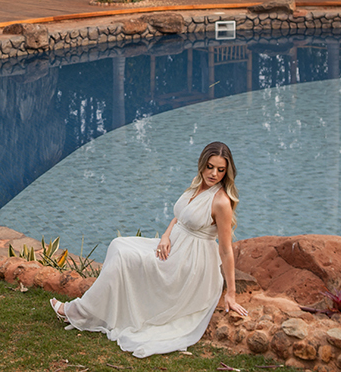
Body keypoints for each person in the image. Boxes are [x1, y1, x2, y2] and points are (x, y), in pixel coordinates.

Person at [49, 142, 246, 358]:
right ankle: (95, 311)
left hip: (191, 262)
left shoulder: (221, 201)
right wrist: (165, 236)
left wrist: (231, 293)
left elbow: (225, 250)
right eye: (210, 167)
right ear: (202, 164)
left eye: (220, 169)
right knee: (118, 245)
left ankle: (77, 311)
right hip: (172, 245)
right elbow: (180, 217)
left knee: (125, 257)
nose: (214, 174)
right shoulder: (198, 184)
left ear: (227, 171)